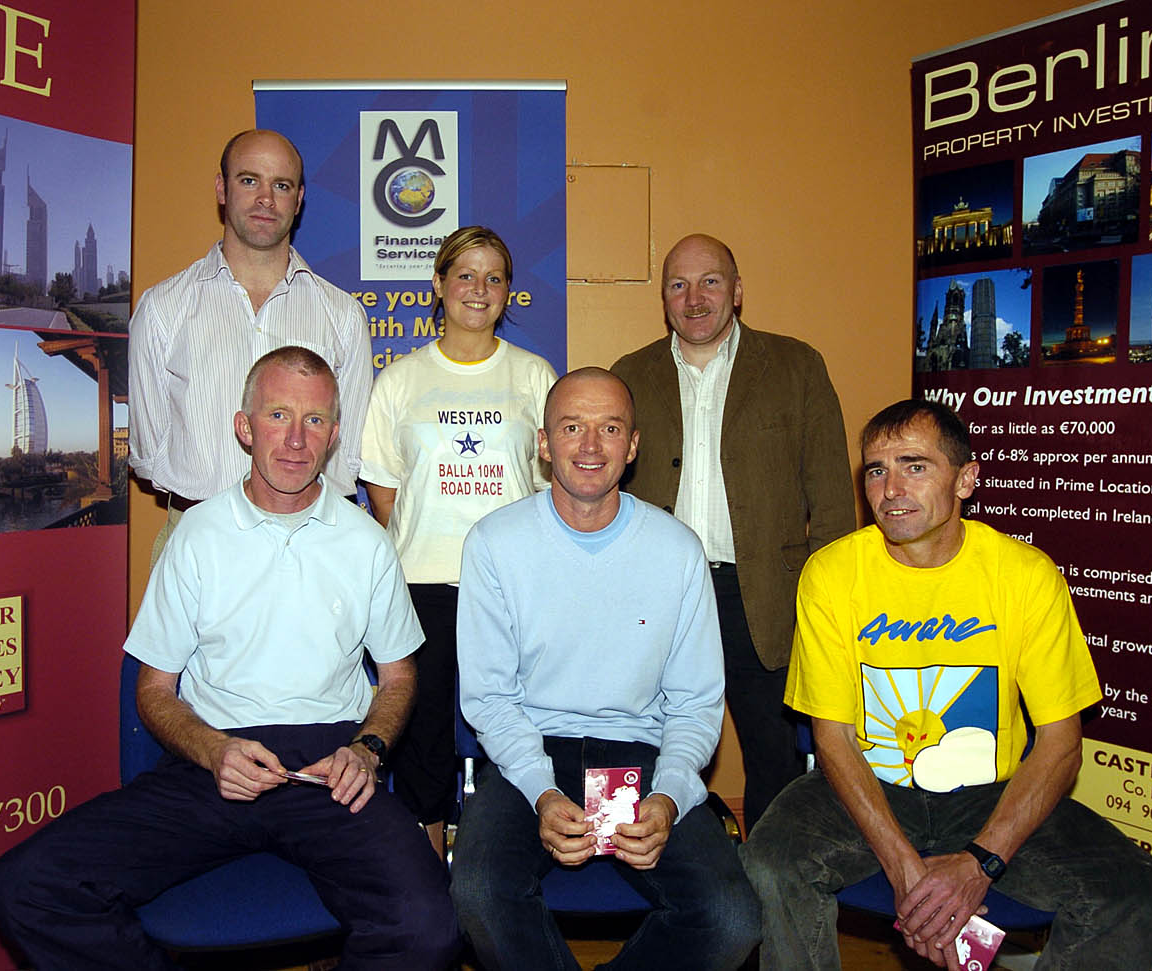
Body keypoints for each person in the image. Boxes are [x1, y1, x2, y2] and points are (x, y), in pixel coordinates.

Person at [0, 347, 460, 971]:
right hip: (212, 760)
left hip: (329, 767)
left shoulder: (368, 542)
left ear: (335, 434)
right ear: (245, 426)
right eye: (278, 415)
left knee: (431, 930)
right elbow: (154, 691)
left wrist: (367, 750)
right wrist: (213, 751)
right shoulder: (196, 536)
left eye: (315, 420)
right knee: (25, 887)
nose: (295, 439)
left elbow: (399, 677)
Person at [739, 399, 1152, 970]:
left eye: (915, 466)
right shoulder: (831, 573)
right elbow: (833, 738)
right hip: (864, 785)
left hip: (988, 795)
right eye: (876, 470)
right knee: (771, 865)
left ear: (966, 479)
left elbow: (1059, 743)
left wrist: (979, 865)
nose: (891, 487)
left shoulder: (1025, 575)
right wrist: (907, 874)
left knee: (1141, 895)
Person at [450, 368, 763, 971]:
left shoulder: (676, 549)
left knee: (732, 920)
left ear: (634, 446)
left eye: (610, 428)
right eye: (572, 427)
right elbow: (489, 697)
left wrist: (669, 796)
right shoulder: (495, 542)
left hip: (641, 756)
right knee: (478, 895)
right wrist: (540, 789)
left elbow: (696, 702)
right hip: (529, 754)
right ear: (543, 444)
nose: (590, 446)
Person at [611, 233, 854, 830]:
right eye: (678, 285)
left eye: (710, 281)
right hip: (657, 597)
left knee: (775, 754)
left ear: (738, 291)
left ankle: (770, 886)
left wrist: (828, 607)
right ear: (663, 299)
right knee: (647, 745)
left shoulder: (797, 366)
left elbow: (831, 504)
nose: (694, 298)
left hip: (766, 600)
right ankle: (662, 870)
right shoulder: (629, 375)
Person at [360, 226, 556, 844]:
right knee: (423, 729)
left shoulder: (534, 376)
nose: (479, 289)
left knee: (517, 724)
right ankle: (429, 849)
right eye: (465, 275)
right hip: (423, 581)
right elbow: (386, 496)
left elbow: (551, 486)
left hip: (512, 586)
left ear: (508, 293)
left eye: (494, 277)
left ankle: (508, 849)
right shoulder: (399, 381)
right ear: (439, 284)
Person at [130, 128, 373, 560]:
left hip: (312, 546)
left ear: (298, 200)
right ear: (222, 189)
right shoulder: (164, 308)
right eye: (249, 180)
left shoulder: (343, 316)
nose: (266, 198)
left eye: (281, 185)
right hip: (197, 543)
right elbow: (149, 455)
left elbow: (345, 453)